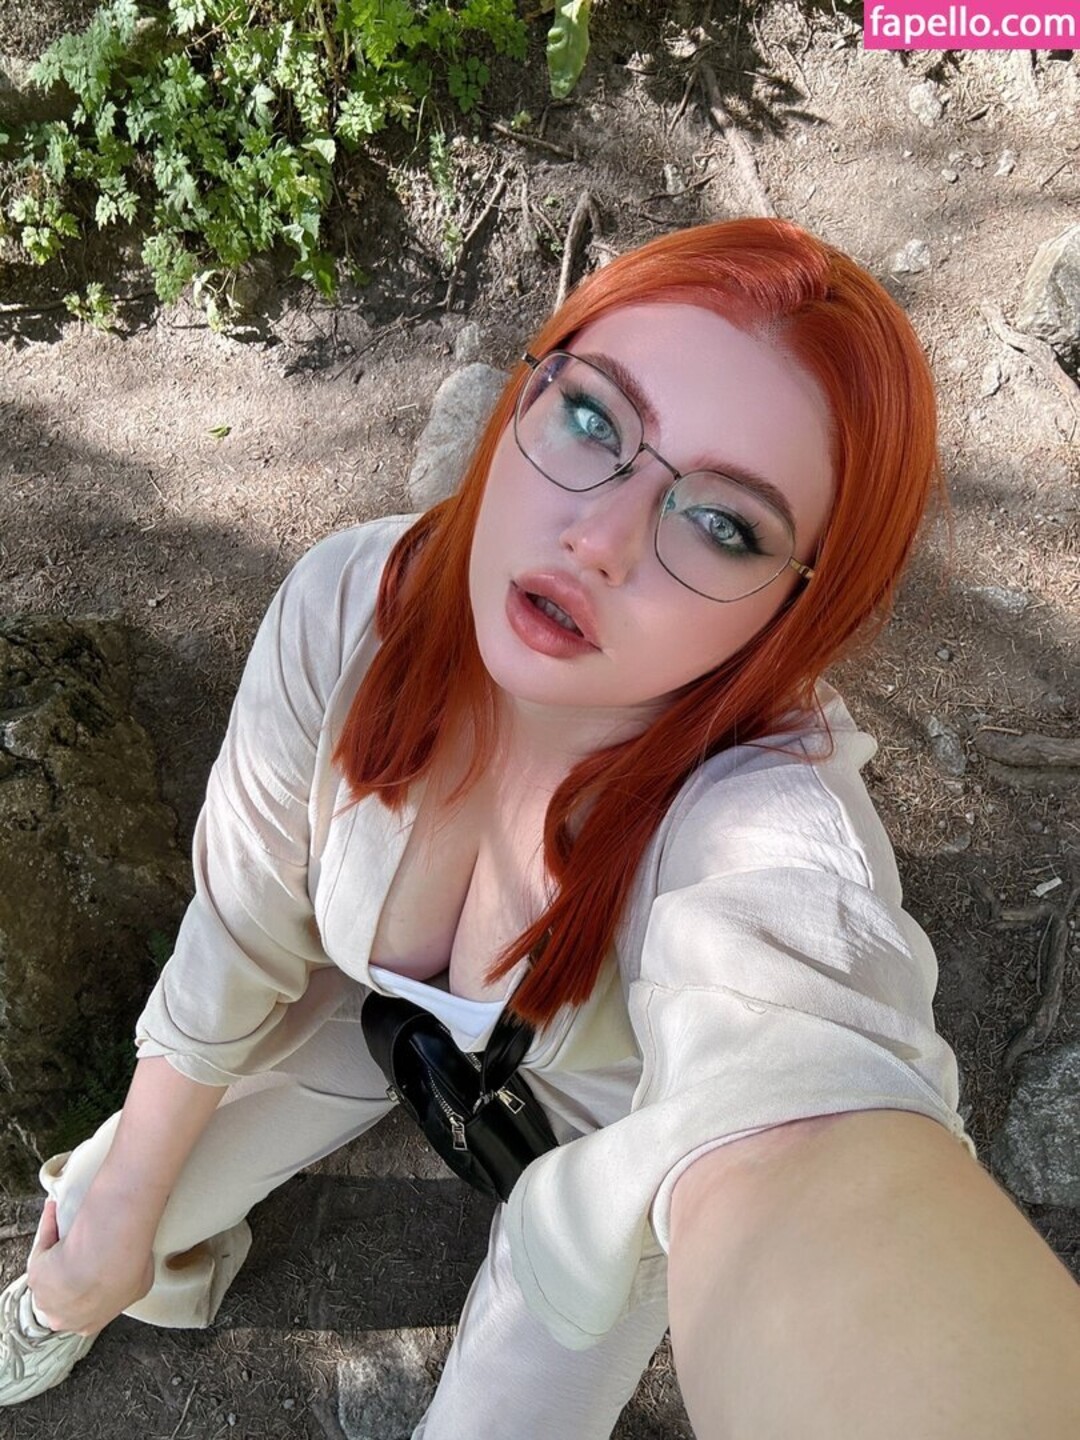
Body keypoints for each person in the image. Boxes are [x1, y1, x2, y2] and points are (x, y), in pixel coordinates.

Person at [2, 218, 1078, 1437]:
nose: (599, 541)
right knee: (114, 1192)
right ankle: (79, 1285)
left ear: (796, 610)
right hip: (360, 1017)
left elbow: (807, 1105)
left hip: (600, 1176)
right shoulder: (348, 609)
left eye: (725, 525)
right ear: (528, 390)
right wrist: (120, 1217)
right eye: (592, 418)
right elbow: (242, 924)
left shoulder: (763, 828)